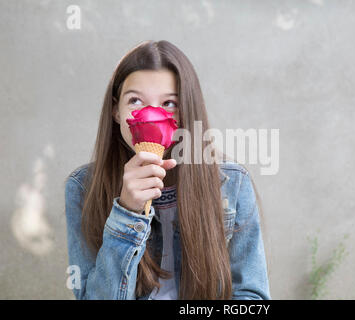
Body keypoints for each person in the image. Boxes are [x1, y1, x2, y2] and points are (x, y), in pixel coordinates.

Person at [64, 40, 270, 300]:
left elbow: (252, 297)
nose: (152, 114)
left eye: (169, 103)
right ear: (116, 110)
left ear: (186, 110)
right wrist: (127, 213)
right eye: (135, 100)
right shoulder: (82, 187)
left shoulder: (233, 183)